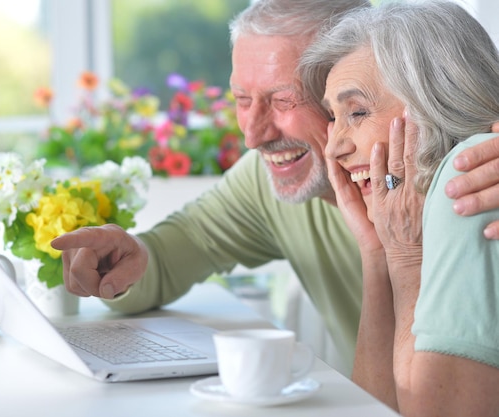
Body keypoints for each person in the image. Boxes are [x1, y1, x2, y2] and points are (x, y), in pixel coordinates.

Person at [51, 0, 499, 376]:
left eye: (283, 101)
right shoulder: (267, 180)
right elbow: (177, 248)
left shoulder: (476, 184)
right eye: (242, 101)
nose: (253, 134)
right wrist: (125, 258)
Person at [299, 1, 499, 415]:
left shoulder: (469, 177)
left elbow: (434, 409)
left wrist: (406, 259)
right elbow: (370, 408)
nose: (334, 147)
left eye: (357, 112)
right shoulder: (420, 216)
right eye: (334, 117)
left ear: (437, 104)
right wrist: (379, 253)